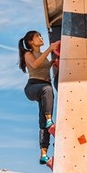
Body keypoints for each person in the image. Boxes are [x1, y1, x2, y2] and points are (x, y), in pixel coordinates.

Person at [19, 30, 60, 165]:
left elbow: (44, 66)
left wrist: (54, 61)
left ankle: (43, 154)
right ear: (31, 42)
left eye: (41, 35)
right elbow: (35, 65)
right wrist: (50, 48)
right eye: (38, 36)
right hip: (33, 87)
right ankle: (50, 120)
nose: (41, 37)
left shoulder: (43, 55)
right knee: (47, 90)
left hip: (44, 86)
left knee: (43, 121)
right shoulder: (28, 54)